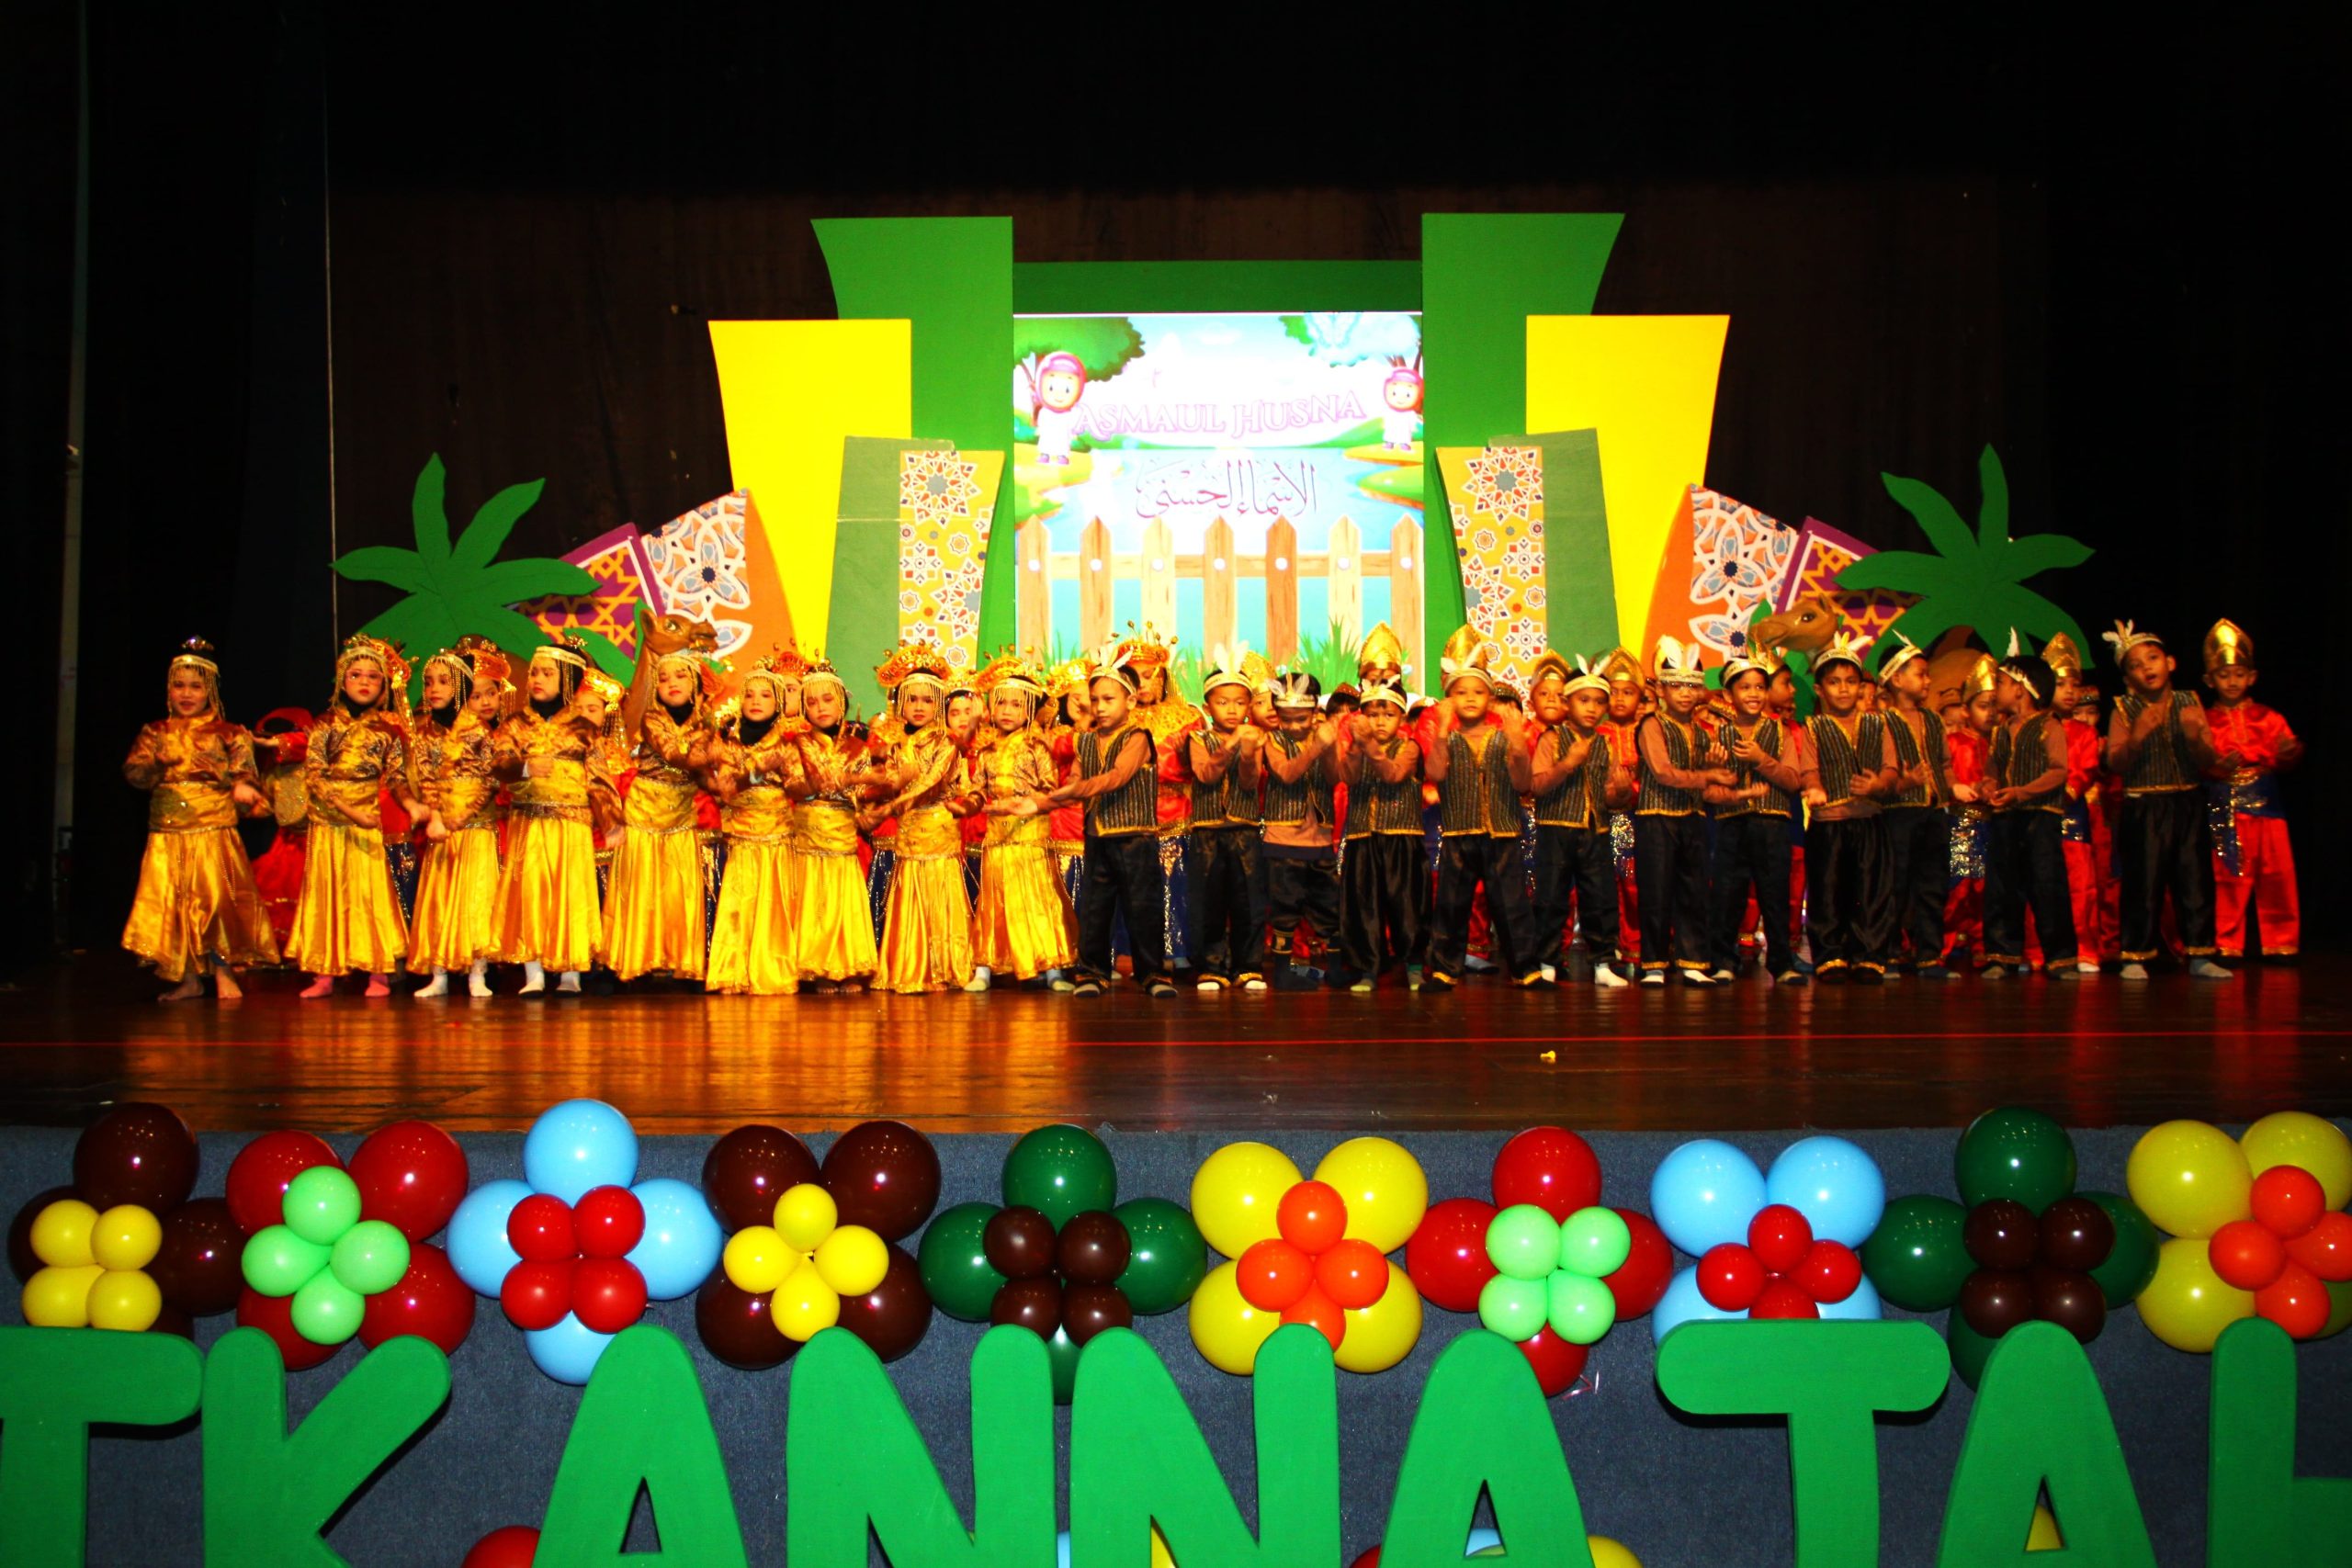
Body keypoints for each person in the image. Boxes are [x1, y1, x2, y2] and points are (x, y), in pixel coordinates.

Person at [120, 638, 277, 999]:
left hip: (213, 829)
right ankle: (189, 979)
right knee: (175, 906)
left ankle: (224, 972)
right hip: (169, 832)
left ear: (210, 692)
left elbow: (245, 773)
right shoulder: (155, 732)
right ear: (169, 690)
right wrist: (155, 764)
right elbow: (134, 775)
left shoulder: (230, 733)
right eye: (179, 686)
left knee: (216, 903)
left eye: (196, 686)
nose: (187, 694)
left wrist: (240, 786)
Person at [1041, 642, 1174, 998]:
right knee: (1095, 907)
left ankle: (1151, 974)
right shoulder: (1085, 742)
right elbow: (1075, 782)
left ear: (1130, 701)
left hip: (1134, 837)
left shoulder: (1138, 738)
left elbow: (1116, 778)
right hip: (1097, 836)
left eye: (1108, 700)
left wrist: (1068, 792)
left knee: (1142, 907)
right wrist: (1045, 800)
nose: (1099, 707)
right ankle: (1092, 973)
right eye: (1095, 700)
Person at [2101, 621, 2230, 978]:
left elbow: (2207, 760)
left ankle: (2201, 953)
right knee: (2144, 881)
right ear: (2128, 678)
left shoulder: (2189, 700)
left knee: (2194, 878)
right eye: (2136, 665)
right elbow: (2114, 762)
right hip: (2145, 805)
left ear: (2170, 663)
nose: (2147, 668)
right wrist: (2138, 735)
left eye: (2153, 659)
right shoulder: (2123, 708)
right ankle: (2136, 955)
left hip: (2187, 800)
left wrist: (2195, 739)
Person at [288, 635, 412, 997]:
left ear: (383, 685)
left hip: (366, 823)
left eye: (373, 676)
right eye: (356, 675)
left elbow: (397, 777)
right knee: (327, 895)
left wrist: (411, 804)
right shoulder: (326, 724)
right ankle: (325, 973)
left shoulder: (387, 730)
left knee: (370, 896)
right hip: (331, 822)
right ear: (343, 681)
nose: (364, 682)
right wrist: (347, 809)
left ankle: (377, 972)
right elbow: (314, 774)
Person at [1420, 626, 1542, 989]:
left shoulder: (1504, 737)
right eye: (1461, 692)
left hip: (1502, 832)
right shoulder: (1448, 737)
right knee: (1451, 904)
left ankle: (1526, 970)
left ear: (1490, 698)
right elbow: (1434, 773)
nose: (1470, 698)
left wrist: (1518, 744)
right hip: (1459, 833)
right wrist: (1442, 729)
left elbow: (1522, 783)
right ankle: (1444, 969)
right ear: (1449, 698)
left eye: (1478, 692)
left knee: (1512, 904)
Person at [487, 636, 603, 994]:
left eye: (548, 674)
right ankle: (533, 972)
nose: (537, 679)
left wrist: (611, 821)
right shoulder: (515, 724)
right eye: (534, 673)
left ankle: (570, 974)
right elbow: (499, 763)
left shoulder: (584, 728)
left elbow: (600, 779)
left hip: (572, 825)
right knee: (531, 894)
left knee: (571, 896)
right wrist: (524, 768)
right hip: (530, 822)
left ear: (567, 680)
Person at [866, 642, 978, 994]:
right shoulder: (895, 745)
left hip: (938, 828)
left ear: (939, 705)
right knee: (909, 894)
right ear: (901, 703)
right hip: (909, 832)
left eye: (927, 700)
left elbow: (932, 783)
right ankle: (908, 967)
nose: (918, 706)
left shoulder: (947, 742)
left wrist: (890, 806)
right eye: (912, 699)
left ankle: (944, 968)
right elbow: (882, 782)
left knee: (938, 896)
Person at [605, 642, 718, 986]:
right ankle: (638, 958)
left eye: (680, 676)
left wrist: (723, 779)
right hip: (646, 810)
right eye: (664, 678)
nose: (672, 683)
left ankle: (675, 959)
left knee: (677, 889)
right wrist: (712, 755)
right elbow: (674, 753)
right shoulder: (652, 719)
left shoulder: (706, 724)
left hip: (681, 813)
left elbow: (704, 774)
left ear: (695, 684)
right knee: (643, 886)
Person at [967, 652, 1079, 989]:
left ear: (1029, 711)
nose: (1007, 711)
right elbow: (977, 788)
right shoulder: (986, 751)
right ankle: (985, 967)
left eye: (1016, 705)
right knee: (993, 901)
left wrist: (1023, 804)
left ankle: (1052, 969)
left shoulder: (1036, 746)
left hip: (1030, 836)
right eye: (1001, 703)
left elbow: (1050, 787)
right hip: (997, 836)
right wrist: (971, 803)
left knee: (1037, 900)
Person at [1632, 637, 1735, 987]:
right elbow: (1663, 773)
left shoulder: (1701, 732)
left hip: (1693, 818)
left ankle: (1692, 961)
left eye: (1691, 686)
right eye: (1676, 686)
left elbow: (1700, 781)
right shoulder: (1651, 725)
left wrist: (1718, 774)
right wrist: (1707, 774)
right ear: (1661, 690)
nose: (1685, 693)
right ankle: (1654, 964)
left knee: (1694, 890)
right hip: (1656, 819)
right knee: (1656, 893)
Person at [1703, 653, 1810, 987]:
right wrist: (1713, 767)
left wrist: (1761, 758)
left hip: (1772, 824)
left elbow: (1793, 780)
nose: (1754, 694)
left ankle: (1781, 963)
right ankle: (1723, 961)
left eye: (1760, 687)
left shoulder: (1781, 731)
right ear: (1728, 694)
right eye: (1745, 687)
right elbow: (1707, 790)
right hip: (1731, 824)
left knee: (1775, 895)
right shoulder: (1717, 735)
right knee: (1728, 895)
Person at [775, 654, 880, 993]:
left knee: (842, 900)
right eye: (811, 702)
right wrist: (837, 781)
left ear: (842, 703)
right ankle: (817, 966)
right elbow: (794, 786)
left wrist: (882, 785)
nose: (820, 707)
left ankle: (846, 967)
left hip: (842, 833)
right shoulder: (795, 744)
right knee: (814, 900)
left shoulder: (858, 747)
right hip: (808, 833)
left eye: (827, 700)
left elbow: (863, 792)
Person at [1527, 654, 1633, 987]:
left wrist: (1621, 792)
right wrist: (1567, 764)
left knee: (1600, 897)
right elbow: (1536, 785)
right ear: (1567, 702)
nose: (1592, 708)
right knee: (1551, 898)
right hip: (1556, 830)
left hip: (1595, 831)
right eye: (1584, 700)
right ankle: (1547, 960)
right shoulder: (1551, 739)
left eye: (1599, 702)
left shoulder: (1605, 744)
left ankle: (1602, 963)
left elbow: (1611, 800)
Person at [2200, 619, 2301, 963]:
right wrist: (2217, 767)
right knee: (2230, 874)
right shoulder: (2204, 720)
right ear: (2209, 680)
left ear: (2252, 677)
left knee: (2277, 872)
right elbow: (2198, 762)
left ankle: (2281, 942)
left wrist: (2288, 753)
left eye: (2239, 674)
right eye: (2224, 675)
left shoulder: (2268, 717)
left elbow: (2286, 753)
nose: (2232, 681)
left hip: (2267, 803)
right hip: (2226, 805)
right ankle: (2227, 942)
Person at [401, 647, 499, 998]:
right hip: (442, 829)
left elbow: (490, 781)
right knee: (439, 900)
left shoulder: (478, 730)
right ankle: (439, 974)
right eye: (429, 683)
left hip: (474, 827)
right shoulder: (426, 734)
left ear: (460, 687)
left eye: (443, 682)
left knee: (475, 900)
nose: (433, 689)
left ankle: (477, 974)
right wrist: (437, 816)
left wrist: (460, 817)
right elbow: (427, 779)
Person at [1801, 632, 1897, 983]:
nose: (1843, 689)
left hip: (1868, 821)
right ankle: (1831, 956)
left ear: (1861, 687)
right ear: (1819, 689)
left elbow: (1890, 768)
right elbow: (1809, 769)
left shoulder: (1878, 723)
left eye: (1850, 681)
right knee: (1828, 892)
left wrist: (1877, 785)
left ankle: (1868, 956)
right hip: (1829, 823)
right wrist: (1814, 788)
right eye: (1834, 682)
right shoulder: (1814, 727)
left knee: (1870, 891)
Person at [1979, 647, 2078, 978]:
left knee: (2047, 885)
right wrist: (1988, 786)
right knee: (2003, 887)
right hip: (2006, 817)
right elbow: (1993, 769)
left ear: (2020, 689)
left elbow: (2058, 771)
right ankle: (2002, 955)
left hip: (2040, 817)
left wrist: (2020, 792)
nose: (1995, 689)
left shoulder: (2049, 726)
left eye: (2000, 682)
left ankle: (2060, 958)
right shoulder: (2001, 730)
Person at [1182, 645, 1268, 991]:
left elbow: (1249, 782)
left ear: (1248, 706)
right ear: (1207, 707)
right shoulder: (1197, 738)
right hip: (1207, 832)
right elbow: (1206, 774)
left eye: (1239, 702)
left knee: (1248, 901)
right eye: (1222, 702)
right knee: (1209, 901)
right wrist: (1232, 744)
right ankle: (1212, 966)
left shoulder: (1255, 738)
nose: (1232, 709)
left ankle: (1249, 966)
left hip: (1244, 830)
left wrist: (1248, 753)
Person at [1335, 674, 1427, 992]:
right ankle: (1368, 969)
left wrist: (1368, 745)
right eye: (1372, 714)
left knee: (1407, 906)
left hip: (1402, 839)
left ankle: (1414, 966)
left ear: (1401, 716)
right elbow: (1348, 777)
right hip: (1362, 838)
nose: (1380, 721)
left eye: (1388, 714)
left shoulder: (1409, 747)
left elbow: (1393, 774)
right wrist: (1355, 746)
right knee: (1365, 908)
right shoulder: (1357, 747)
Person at [1875, 632, 1957, 979]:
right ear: (1896, 679)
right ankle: (1890, 953)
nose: (1927, 681)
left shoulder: (1933, 719)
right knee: (1895, 884)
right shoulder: (1881, 721)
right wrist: (1903, 783)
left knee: (1933, 884)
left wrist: (1953, 788)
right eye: (1920, 674)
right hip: (1898, 813)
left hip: (1935, 812)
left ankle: (1929, 955)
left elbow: (1945, 763)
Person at [1259, 669, 1343, 986]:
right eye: (1287, 719)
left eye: (1301, 719)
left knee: (1329, 907)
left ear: (1315, 713)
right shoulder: (1270, 739)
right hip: (1283, 840)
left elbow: (1334, 777)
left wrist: (1329, 747)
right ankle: (1282, 973)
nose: (1294, 726)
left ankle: (1336, 970)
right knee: (1285, 909)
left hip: (1319, 839)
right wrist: (1316, 747)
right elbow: (1286, 773)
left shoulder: (1324, 738)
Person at [2041, 634, 2110, 975]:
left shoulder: (2084, 733)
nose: (2070, 691)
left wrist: (2063, 792)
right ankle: (2036, 950)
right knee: (2040, 884)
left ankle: (2084, 949)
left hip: (2071, 814)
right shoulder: (2034, 728)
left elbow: (2085, 769)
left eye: (2074, 684)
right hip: (2039, 816)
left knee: (2081, 885)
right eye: (2060, 684)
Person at [1940, 654, 1997, 970]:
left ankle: (1982, 945)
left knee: (1986, 889)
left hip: (1992, 823)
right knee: (1957, 887)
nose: (1991, 713)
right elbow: (1942, 775)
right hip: (1961, 822)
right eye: (1983, 706)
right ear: (1966, 710)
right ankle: (1943, 947)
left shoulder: (2001, 741)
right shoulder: (1953, 742)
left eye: (1995, 705)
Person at [1598, 647, 1646, 972]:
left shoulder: (1647, 732)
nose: (1619, 699)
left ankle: (1634, 945)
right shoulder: (1596, 733)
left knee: (1633, 884)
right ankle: (1607, 945)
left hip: (1636, 820)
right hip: (1603, 821)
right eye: (1612, 692)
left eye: (1627, 692)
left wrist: (1630, 790)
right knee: (1603, 885)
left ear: (1640, 698)